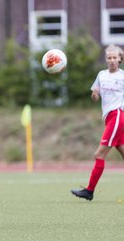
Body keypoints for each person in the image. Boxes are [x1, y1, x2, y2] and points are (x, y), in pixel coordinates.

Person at [71, 44, 124, 201]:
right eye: (109, 58)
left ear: (120, 59)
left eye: (115, 57)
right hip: (109, 119)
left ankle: (89, 191)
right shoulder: (101, 75)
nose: (112, 60)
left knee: (99, 154)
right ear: (106, 59)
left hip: (118, 116)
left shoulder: (123, 76)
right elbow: (95, 98)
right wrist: (95, 94)